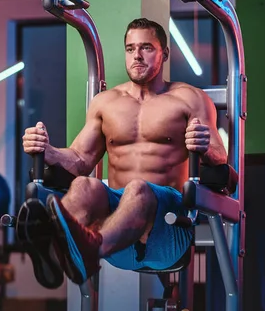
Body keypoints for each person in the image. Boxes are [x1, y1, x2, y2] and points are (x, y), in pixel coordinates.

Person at [22, 18, 227, 285]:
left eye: (146, 48)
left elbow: (220, 156)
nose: (137, 56)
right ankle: (58, 245)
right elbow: (80, 160)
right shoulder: (105, 103)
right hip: (116, 235)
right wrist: (47, 151)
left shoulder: (190, 98)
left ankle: (82, 249)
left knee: (138, 189)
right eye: (130, 49)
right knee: (85, 185)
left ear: (165, 53)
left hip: (168, 228)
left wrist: (203, 146)